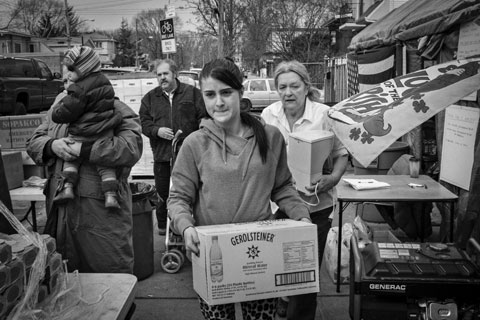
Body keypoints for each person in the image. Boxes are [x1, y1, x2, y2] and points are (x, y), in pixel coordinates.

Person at [167, 58, 312, 320]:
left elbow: (282, 187)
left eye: (226, 93)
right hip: (213, 255)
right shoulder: (194, 144)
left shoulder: (269, 137)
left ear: (240, 92)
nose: (218, 102)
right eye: (210, 95)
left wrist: (301, 215)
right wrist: (185, 227)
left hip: (259, 253)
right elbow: (178, 197)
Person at [26, 65, 143, 273]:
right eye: (64, 82)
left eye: (72, 81)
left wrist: (84, 149)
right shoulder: (58, 110)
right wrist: (52, 145)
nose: (66, 87)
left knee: (110, 286)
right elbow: (33, 142)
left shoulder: (115, 109)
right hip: (60, 215)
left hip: (101, 222)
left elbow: (130, 149)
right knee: (64, 284)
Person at [261, 60, 349, 320]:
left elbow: (342, 155)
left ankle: (297, 311)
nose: (288, 92)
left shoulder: (324, 115)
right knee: (279, 266)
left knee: (305, 275)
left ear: (306, 86)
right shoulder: (269, 115)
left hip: (315, 207)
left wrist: (331, 179)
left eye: (294, 86)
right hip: (278, 207)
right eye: (282, 87)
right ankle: (283, 299)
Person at [139, 58, 206, 236]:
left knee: (189, 191)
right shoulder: (150, 98)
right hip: (162, 155)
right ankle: (162, 226)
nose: (162, 78)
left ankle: (191, 226)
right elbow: (144, 123)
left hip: (188, 154)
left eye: (165, 74)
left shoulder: (192, 94)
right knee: (162, 192)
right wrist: (156, 130)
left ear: (174, 74)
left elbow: (203, 118)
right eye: (159, 75)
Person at [50, 46, 122, 209]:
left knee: (71, 157)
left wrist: (57, 112)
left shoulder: (79, 88)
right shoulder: (106, 82)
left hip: (84, 132)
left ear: (84, 68)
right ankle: (111, 196)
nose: (68, 75)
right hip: (105, 130)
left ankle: (67, 187)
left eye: (71, 70)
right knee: (106, 166)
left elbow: (68, 111)